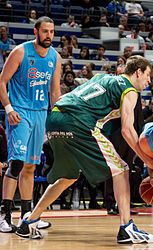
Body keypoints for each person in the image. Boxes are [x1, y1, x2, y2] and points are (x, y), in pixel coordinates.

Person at [15, 56, 153, 243]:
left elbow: (65, 98)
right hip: (78, 123)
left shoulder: (102, 78)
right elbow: (127, 130)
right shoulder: (130, 90)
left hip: (55, 118)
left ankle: (29, 222)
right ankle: (127, 228)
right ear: (138, 71)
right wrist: (148, 160)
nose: (148, 81)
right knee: (121, 169)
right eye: (147, 75)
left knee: (68, 177)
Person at [0, 17, 61, 233]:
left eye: (52, 32)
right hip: (20, 112)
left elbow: (54, 92)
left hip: (40, 115)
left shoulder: (55, 57)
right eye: (45, 31)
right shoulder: (21, 51)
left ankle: (27, 214)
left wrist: (58, 117)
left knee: (30, 167)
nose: (49, 36)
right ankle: (4, 215)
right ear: (36, 32)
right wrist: (9, 109)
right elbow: (2, 81)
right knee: (16, 163)